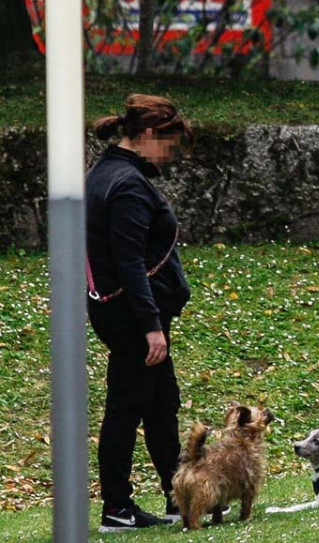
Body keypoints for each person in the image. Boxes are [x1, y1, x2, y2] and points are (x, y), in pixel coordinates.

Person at [86, 94, 194, 532]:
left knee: (161, 404)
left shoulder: (107, 173)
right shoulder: (127, 185)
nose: (171, 155)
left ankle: (179, 497)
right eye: (168, 144)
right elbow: (129, 260)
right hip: (134, 316)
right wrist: (151, 326)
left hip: (123, 311)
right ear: (148, 135)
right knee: (127, 409)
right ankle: (117, 507)